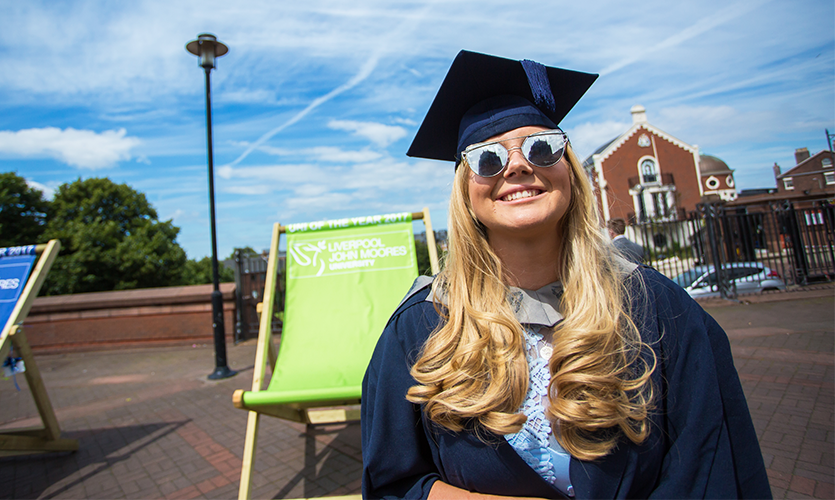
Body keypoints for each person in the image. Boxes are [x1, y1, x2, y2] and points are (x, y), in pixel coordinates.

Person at [361, 50, 771, 499]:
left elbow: (712, 471)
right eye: (487, 158)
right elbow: (393, 484)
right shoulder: (424, 326)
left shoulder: (658, 310)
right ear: (465, 191)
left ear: (570, 171)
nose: (517, 165)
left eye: (541, 147)